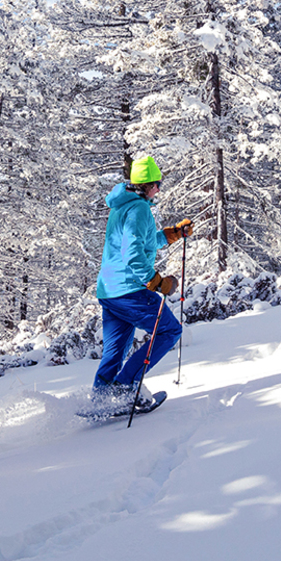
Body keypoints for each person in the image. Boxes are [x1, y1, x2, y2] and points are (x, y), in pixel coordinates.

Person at [92, 155, 191, 410]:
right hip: (130, 291)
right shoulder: (139, 209)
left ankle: (100, 402)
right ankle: (126, 388)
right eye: (157, 184)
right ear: (147, 185)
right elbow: (133, 254)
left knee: (114, 354)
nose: (159, 189)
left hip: (109, 291)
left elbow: (143, 242)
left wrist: (172, 235)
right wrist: (156, 282)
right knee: (169, 330)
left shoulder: (123, 205)